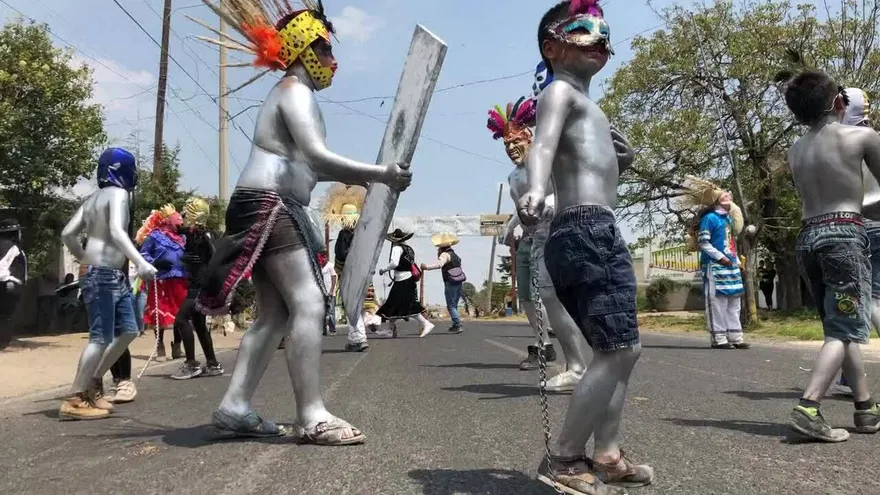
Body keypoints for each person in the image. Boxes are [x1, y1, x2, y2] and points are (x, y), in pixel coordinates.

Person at [192, 0, 410, 443]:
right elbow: (315, 156)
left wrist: (368, 178)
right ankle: (312, 416)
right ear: (304, 48)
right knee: (309, 303)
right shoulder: (295, 91)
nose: (334, 61)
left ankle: (235, 405)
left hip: (263, 201)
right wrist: (380, 173)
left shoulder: (291, 94)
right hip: (271, 203)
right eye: (326, 50)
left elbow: (312, 168)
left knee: (273, 315)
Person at [518, 1, 653, 492]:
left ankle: (608, 453)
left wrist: (626, 159)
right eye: (581, 29)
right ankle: (565, 457)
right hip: (586, 226)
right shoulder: (558, 92)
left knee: (613, 348)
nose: (598, 37)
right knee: (621, 349)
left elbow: (597, 170)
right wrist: (535, 186)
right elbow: (542, 146)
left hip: (593, 226)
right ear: (552, 47)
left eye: (603, 31)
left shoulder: (590, 107)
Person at [780, 71, 880, 441]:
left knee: (839, 325)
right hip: (844, 234)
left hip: (808, 236)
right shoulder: (863, 136)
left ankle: (866, 408)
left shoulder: (794, 149)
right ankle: (808, 407)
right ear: (838, 101)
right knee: (845, 327)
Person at [58, 147, 157, 420]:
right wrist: (141, 262)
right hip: (104, 275)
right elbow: (116, 230)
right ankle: (75, 399)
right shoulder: (120, 194)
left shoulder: (91, 199)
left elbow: (67, 234)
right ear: (123, 170)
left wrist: (85, 260)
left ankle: (93, 383)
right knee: (100, 337)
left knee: (129, 330)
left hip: (110, 275)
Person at [492, 97, 559, 370]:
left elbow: (560, 194)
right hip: (527, 237)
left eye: (515, 141)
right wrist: (508, 227)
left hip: (550, 234)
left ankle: (566, 350)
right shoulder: (512, 177)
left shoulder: (546, 165)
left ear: (528, 138)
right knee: (527, 297)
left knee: (543, 293)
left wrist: (547, 205)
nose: (510, 148)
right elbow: (517, 208)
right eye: (506, 144)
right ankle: (542, 344)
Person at [830, 87, 877, 397]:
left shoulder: (840, 145)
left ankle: (850, 379)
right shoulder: (875, 137)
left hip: (858, 228)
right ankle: (848, 379)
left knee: (856, 302)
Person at [683, 176, 751, 350]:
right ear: (716, 201)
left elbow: (730, 242)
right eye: (724, 195)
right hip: (715, 265)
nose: (728, 195)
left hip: (731, 264)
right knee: (717, 302)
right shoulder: (710, 218)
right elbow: (704, 242)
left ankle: (736, 336)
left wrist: (736, 260)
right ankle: (719, 337)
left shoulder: (727, 219)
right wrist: (720, 257)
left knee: (734, 301)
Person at [171, 197, 224, 380]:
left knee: (181, 320)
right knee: (199, 325)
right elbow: (176, 227)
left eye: (187, 212)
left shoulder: (205, 235)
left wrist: (205, 265)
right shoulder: (192, 235)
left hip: (201, 287)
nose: (183, 215)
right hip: (194, 283)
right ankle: (212, 363)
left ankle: (192, 363)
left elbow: (217, 259)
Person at [320, 183, 372, 349]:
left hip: (349, 275)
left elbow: (342, 255)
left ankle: (358, 338)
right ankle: (354, 338)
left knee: (351, 306)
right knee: (358, 307)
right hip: (362, 274)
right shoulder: (361, 234)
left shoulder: (344, 235)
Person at [137, 205, 187, 362]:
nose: (180, 223)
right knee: (160, 313)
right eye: (177, 220)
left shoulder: (182, 238)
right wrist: (156, 262)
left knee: (181, 314)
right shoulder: (154, 236)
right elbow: (142, 254)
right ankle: (159, 346)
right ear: (168, 221)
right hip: (161, 280)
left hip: (181, 279)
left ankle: (177, 345)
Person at [377, 229, 435, 338]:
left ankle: (426, 323)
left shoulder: (397, 248)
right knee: (393, 304)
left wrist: (383, 269)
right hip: (408, 279)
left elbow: (394, 263)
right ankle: (390, 329)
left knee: (408, 304)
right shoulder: (409, 249)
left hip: (402, 280)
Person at [422, 233, 467, 334]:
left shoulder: (444, 254)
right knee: (454, 304)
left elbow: (439, 264)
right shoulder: (454, 254)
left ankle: (457, 324)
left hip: (450, 281)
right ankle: (456, 324)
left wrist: (426, 267)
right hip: (459, 280)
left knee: (450, 305)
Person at [0, 218, 26, 350]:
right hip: (7, 286)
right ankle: (3, 343)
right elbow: (2, 264)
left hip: (6, 285)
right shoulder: (10, 246)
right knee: (6, 315)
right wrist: (8, 279)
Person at [319, 250, 337, 336]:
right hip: (322, 293)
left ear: (326, 257)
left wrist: (331, 290)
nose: (322, 259)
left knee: (331, 312)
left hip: (330, 293)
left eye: (324, 257)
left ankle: (332, 329)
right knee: (322, 312)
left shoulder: (331, 266)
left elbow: (334, 278)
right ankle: (323, 329)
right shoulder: (319, 267)